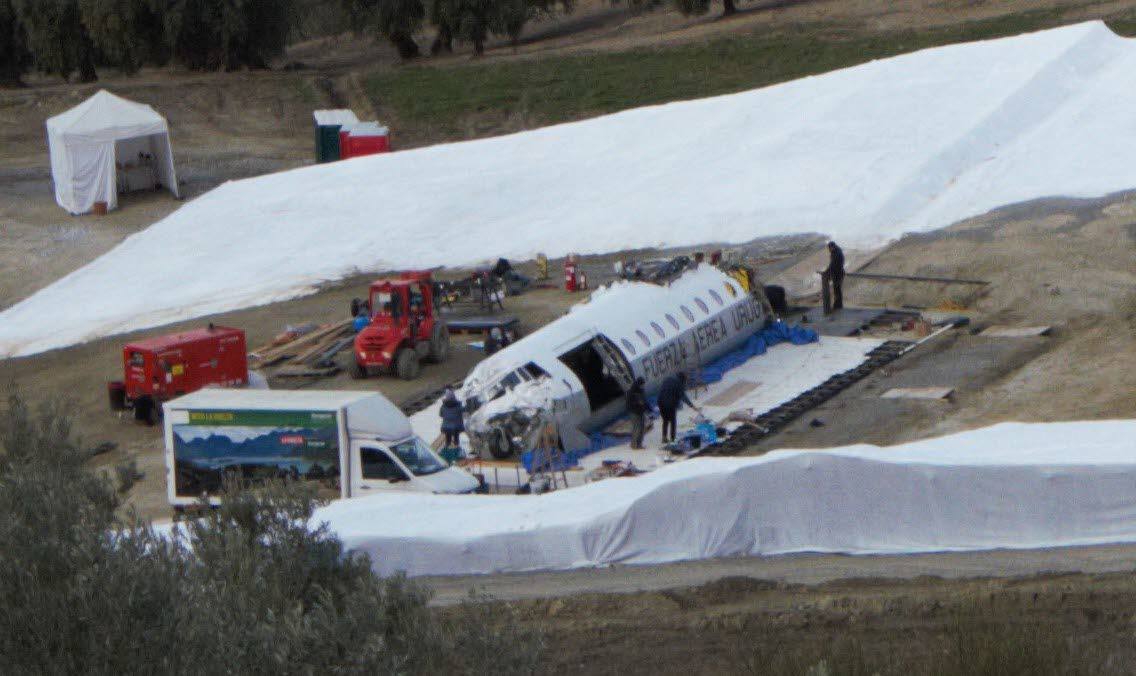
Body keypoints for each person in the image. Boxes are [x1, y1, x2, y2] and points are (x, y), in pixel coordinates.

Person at [657, 372, 697, 445]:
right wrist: (692, 406)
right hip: (670, 404)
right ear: (682, 379)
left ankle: (664, 437)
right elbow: (684, 397)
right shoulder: (679, 384)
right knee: (673, 421)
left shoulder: (668, 379)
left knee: (665, 420)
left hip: (660, 402)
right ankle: (672, 439)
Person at [439, 388, 465, 459]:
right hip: (456, 427)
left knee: (448, 440)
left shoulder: (443, 406)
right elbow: (463, 411)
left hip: (446, 427)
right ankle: (456, 453)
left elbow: (441, 414)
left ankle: (448, 453)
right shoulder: (458, 405)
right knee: (456, 440)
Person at [626, 377, 649, 449]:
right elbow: (639, 402)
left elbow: (644, 402)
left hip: (640, 411)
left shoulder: (640, 391)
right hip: (634, 412)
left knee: (642, 428)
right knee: (637, 428)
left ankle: (639, 443)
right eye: (642, 384)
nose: (643, 386)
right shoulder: (633, 392)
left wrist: (647, 409)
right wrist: (640, 405)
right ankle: (635, 444)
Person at [825, 241, 845, 310]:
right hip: (838, 273)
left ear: (832, 247)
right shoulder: (837, 252)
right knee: (837, 290)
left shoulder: (837, 253)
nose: (829, 250)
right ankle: (838, 305)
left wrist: (827, 271)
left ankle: (838, 306)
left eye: (829, 248)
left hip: (838, 274)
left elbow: (833, 264)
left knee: (837, 290)